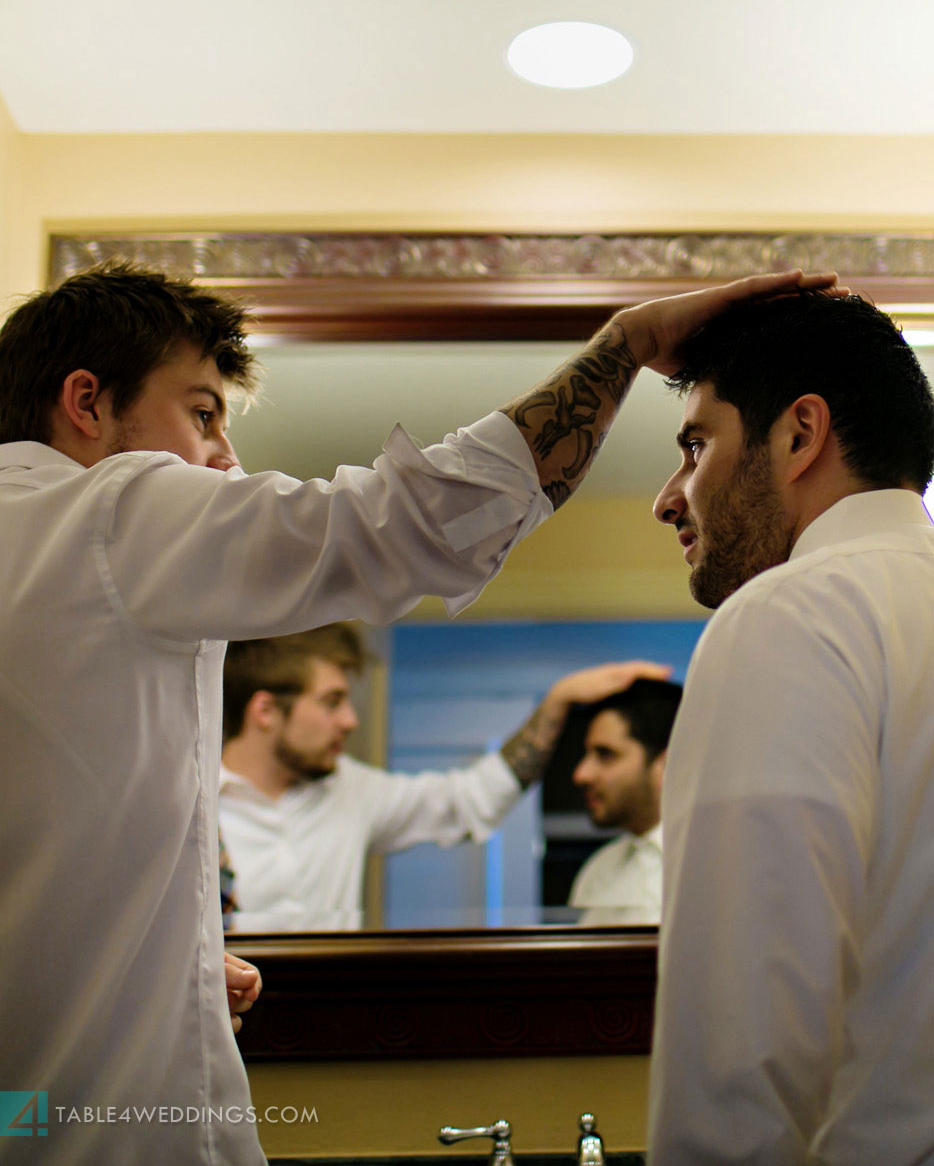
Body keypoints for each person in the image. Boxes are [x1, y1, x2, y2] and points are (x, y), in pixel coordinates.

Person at [0, 260, 833, 1166]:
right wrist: (626, 344)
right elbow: (419, 522)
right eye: (201, 413)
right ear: (85, 402)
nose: (225, 459)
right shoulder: (105, 515)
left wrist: (167, 971)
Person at [648, 291, 934, 1165]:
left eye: (696, 446)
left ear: (799, 435)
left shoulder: (791, 614)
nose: (668, 499)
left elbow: (741, 1051)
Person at [219, 626, 668, 929]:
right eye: (332, 701)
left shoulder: (351, 792)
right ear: (265, 711)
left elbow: (470, 799)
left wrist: (556, 704)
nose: (350, 720)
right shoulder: (186, 810)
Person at [568, 676, 681, 925]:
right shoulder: (599, 871)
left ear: (665, 765)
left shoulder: (715, 868)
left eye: (605, 754)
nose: (581, 774)